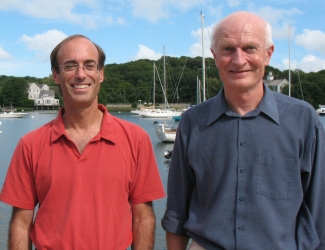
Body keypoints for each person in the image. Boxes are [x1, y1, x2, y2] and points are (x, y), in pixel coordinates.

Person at [161, 11, 325, 250]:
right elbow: (177, 210)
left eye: (250, 48)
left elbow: (319, 206)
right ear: (215, 56)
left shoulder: (302, 119)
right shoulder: (192, 122)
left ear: (268, 54)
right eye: (228, 49)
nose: (239, 60)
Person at [0, 34, 165, 250]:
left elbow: (143, 218)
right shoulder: (30, 145)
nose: (80, 74)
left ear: (101, 73)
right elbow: (21, 224)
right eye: (70, 66)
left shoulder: (136, 139)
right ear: (56, 75)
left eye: (89, 65)